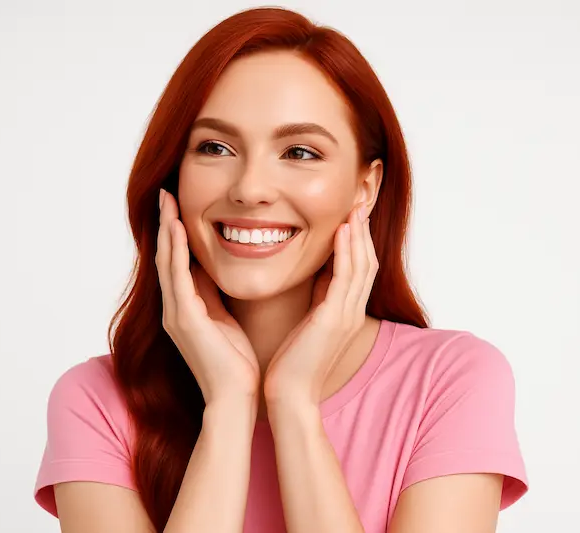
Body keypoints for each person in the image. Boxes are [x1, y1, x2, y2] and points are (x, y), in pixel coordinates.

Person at [33, 6, 528, 533]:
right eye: (214, 147)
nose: (250, 189)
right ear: (174, 173)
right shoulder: (97, 403)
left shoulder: (449, 382)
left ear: (366, 186)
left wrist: (293, 405)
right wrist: (227, 408)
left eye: (299, 152)